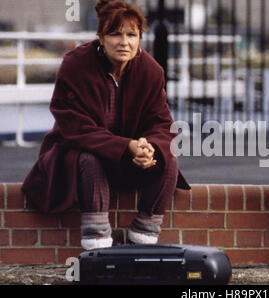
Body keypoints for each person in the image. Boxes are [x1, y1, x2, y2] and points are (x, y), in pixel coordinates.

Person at [22, 0, 190, 250]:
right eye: (115, 34)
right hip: (76, 159)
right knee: (91, 158)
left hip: (127, 162)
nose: (124, 42)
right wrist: (126, 146)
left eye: (132, 35)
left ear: (140, 38)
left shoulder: (151, 71)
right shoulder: (75, 64)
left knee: (168, 158)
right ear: (101, 37)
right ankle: (97, 240)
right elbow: (75, 127)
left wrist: (149, 148)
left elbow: (162, 122)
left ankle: (144, 233)